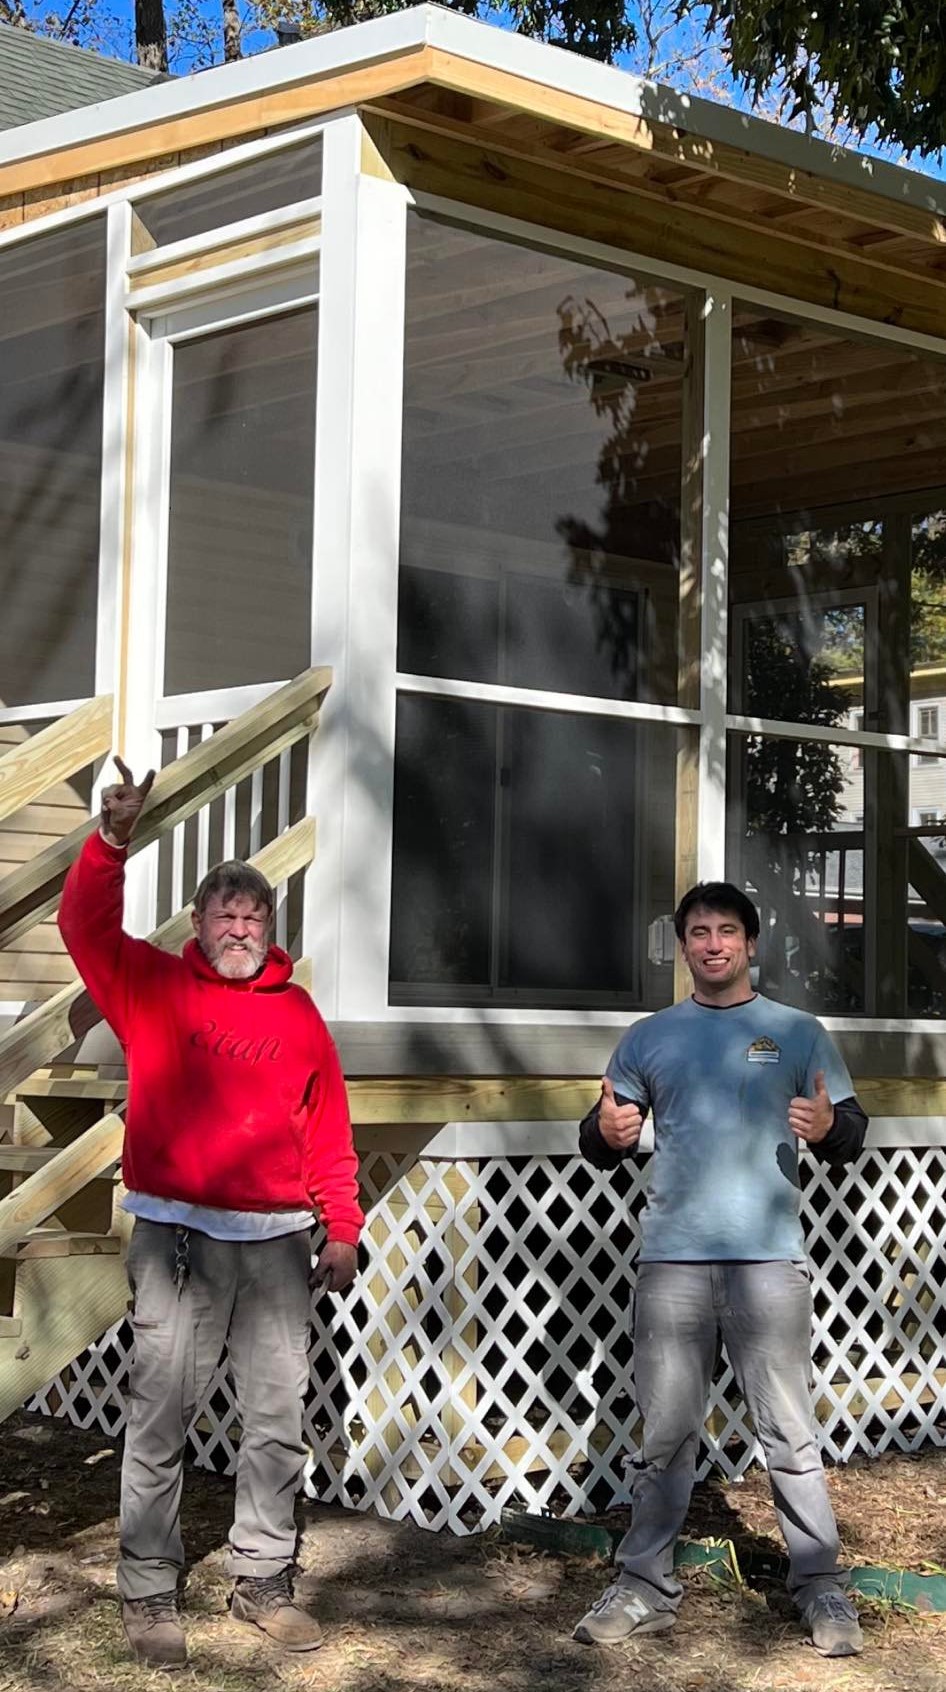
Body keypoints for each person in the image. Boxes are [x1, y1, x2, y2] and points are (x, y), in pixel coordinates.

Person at [58, 759, 363, 1670]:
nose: (238, 929)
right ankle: (149, 1589)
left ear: (271, 928)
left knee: (275, 1418)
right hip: (177, 1240)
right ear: (197, 924)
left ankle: (262, 1578)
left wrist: (342, 1226)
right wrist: (111, 840)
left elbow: (327, 1129)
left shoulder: (299, 1015)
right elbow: (81, 925)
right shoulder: (148, 985)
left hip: (276, 1245)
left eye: (253, 917)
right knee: (161, 1418)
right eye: (224, 916)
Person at [572, 881, 868, 1659]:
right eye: (698, 932)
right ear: (683, 946)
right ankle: (645, 1586)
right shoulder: (650, 1038)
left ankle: (819, 1584)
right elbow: (601, 1139)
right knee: (667, 1435)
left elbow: (850, 1133)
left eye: (727, 931)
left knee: (789, 1432)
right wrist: (605, 1131)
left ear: (750, 943)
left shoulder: (797, 1032)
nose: (713, 944)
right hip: (673, 1260)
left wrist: (829, 1127)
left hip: (769, 1261)